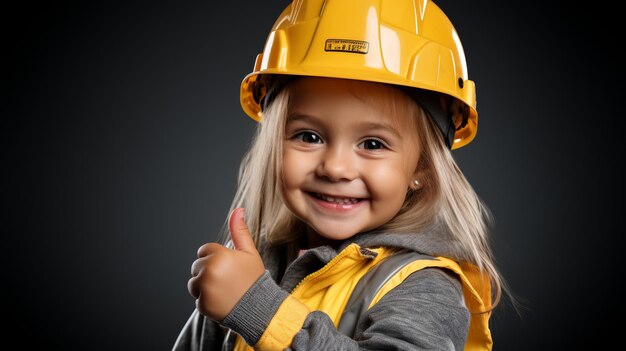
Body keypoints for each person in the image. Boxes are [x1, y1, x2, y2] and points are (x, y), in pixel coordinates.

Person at [174, 0, 507, 350]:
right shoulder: (252, 265)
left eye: (373, 143)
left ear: (421, 168)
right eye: (309, 137)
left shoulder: (424, 286)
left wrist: (256, 308)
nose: (334, 167)